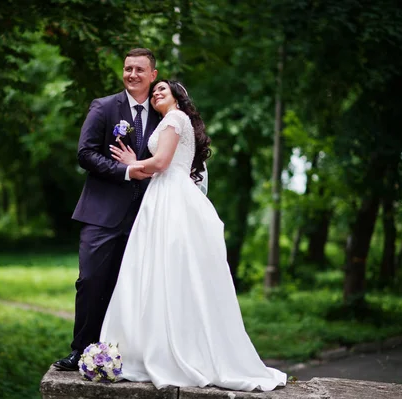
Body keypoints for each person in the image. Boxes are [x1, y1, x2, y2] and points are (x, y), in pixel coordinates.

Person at [99, 80, 287, 392]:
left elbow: (160, 164)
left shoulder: (175, 119)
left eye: (163, 89)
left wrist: (133, 164)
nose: (157, 93)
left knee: (170, 269)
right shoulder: (168, 122)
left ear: (177, 97)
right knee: (155, 269)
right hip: (160, 197)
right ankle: (152, 346)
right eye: (155, 90)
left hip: (171, 198)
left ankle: (175, 350)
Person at [52, 48, 160, 371]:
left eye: (140, 70)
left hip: (143, 216)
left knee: (128, 286)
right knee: (91, 280)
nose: (132, 75)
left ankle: (119, 354)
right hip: (100, 214)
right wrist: (126, 171)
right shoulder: (103, 107)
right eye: (128, 69)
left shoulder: (162, 114)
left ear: (153, 75)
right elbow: (85, 153)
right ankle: (80, 349)